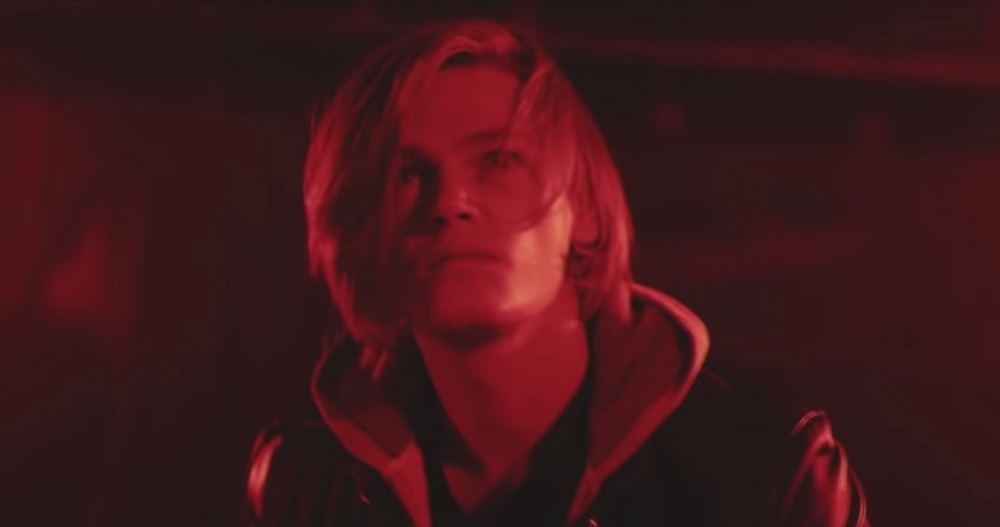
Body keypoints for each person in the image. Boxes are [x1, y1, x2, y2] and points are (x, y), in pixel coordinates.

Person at [242, 18, 870, 527]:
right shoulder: (302, 480)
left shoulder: (761, 473)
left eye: (498, 159)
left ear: (585, 208)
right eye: (406, 173)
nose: (449, 200)